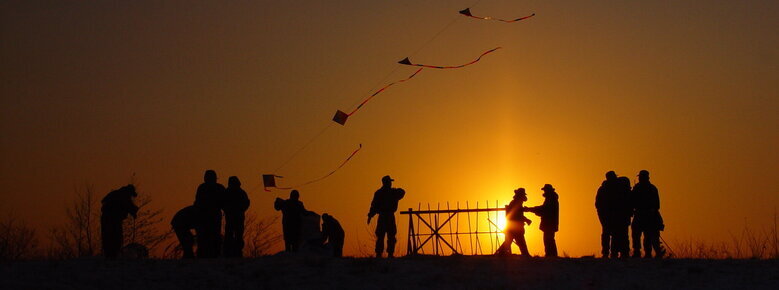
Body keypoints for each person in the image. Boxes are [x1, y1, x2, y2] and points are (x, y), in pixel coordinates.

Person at [367, 175, 405, 258]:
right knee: (386, 235)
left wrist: (370, 215)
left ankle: (382, 253)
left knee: (385, 235)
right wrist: (370, 215)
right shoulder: (390, 193)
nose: (391, 183)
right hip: (387, 216)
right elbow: (374, 205)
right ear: (387, 183)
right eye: (390, 182)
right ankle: (386, 253)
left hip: (384, 216)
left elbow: (373, 206)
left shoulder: (380, 193)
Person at [631, 170, 665, 258]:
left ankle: (645, 253)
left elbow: (657, 204)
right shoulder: (650, 188)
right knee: (638, 234)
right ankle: (639, 252)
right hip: (642, 214)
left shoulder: (648, 189)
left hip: (646, 215)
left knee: (645, 235)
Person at [101, 184, 139, 259]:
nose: (131, 197)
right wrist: (134, 211)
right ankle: (113, 255)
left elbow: (103, 201)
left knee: (107, 237)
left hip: (106, 218)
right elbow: (130, 207)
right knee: (116, 237)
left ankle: (109, 255)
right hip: (113, 219)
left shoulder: (115, 193)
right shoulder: (124, 196)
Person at [194, 169, 225, 258]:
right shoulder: (218, 187)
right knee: (211, 236)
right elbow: (224, 201)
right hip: (210, 215)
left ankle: (207, 254)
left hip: (207, 216)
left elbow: (197, 202)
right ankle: (213, 254)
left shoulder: (202, 187)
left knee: (206, 236)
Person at [526, 184, 559, 258]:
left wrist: (530, 209)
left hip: (549, 223)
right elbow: (543, 209)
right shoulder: (552, 198)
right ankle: (551, 255)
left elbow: (544, 209)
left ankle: (551, 255)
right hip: (550, 223)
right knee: (549, 239)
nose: (544, 192)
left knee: (548, 240)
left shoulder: (551, 199)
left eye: (545, 190)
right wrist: (532, 209)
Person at [496, 188, 532, 256]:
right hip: (515, 227)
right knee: (520, 242)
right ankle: (526, 255)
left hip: (513, 226)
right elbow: (516, 215)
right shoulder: (516, 203)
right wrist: (526, 219)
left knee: (509, 241)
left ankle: (500, 253)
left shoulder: (516, 202)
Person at [223, 176, 250, 258]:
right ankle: (229, 253)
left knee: (237, 235)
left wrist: (240, 210)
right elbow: (223, 203)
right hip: (232, 217)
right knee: (230, 235)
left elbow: (246, 203)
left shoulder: (240, 192)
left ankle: (237, 252)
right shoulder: (229, 192)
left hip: (238, 217)